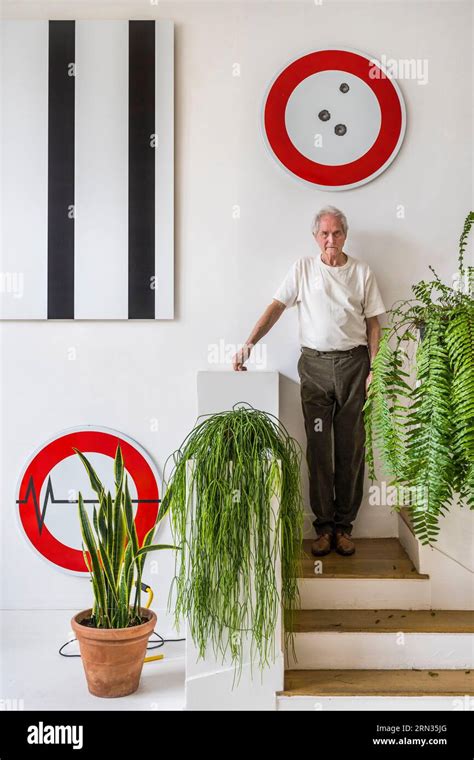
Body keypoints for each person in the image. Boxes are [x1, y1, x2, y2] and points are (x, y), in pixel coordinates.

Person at [232, 206, 386, 557]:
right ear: (316, 237)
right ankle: (323, 527)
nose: (330, 239)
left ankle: (345, 528)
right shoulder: (302, 268)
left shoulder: (362, 272)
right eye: (324, 234)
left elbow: (375, 323)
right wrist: (248, 344)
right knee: (319, 450)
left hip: (354, 366)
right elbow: (274, 308)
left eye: (336, 233)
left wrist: (375, 368)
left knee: (350, 450)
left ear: (345, 235)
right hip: (314, 367)